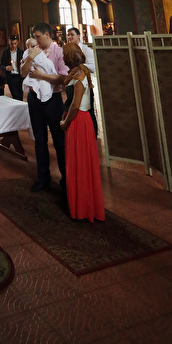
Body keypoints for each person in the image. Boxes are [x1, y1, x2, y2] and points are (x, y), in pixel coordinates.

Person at [20, 22, 68, 192]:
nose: (35, 40)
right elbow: (23, 73)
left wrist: (42, 76)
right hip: (34, 98)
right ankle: (43, 178)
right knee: (39, 140)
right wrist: (30, 58)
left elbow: (64, 78)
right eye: (34, 37)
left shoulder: (59, 52)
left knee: (59, 140)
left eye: (38, 36)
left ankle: (66, 179)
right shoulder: (32, 51)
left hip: (53, 100)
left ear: (47, 35)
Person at [60, 43, 105, 222]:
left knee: (78, 163)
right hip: (82, 120)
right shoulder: (80, 71)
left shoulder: (79, 77)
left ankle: (81, 207)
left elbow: (75, 105)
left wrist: (65, 123)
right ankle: (84, 203)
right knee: (83, 162)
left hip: (78, 121)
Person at [66, 26, 97, 135]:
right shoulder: (68, 49)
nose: (70, 37)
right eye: (68, 35)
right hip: (72, 83)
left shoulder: (86, 50)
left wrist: (79, 67)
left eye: (72, 35)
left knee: (87, 110)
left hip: (84, 82)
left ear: (78, 36)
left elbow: (93, 67)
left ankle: (92, 133)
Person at [21, 38, 54, 102]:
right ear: (28, 47)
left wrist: (46, 55)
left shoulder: (39, 51)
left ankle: (44, 95)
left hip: (42, 71)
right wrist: (30, 57)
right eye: (33, 46)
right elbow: (23, 72)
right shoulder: (26, 53)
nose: (35, 48)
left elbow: (43, 59)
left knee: (49, 65)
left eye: (36, 45)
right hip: (33, 71)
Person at [0, 34, 24, 101]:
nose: (13, 46)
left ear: (17, 43)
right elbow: (2, 65)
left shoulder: (21, 52)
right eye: (11, 44)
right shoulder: (5, 53)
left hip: (19, 76)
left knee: (20, 95)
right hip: (11, 76)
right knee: (15, 95)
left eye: (15, 44)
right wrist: (6, 67)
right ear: (9, 42)